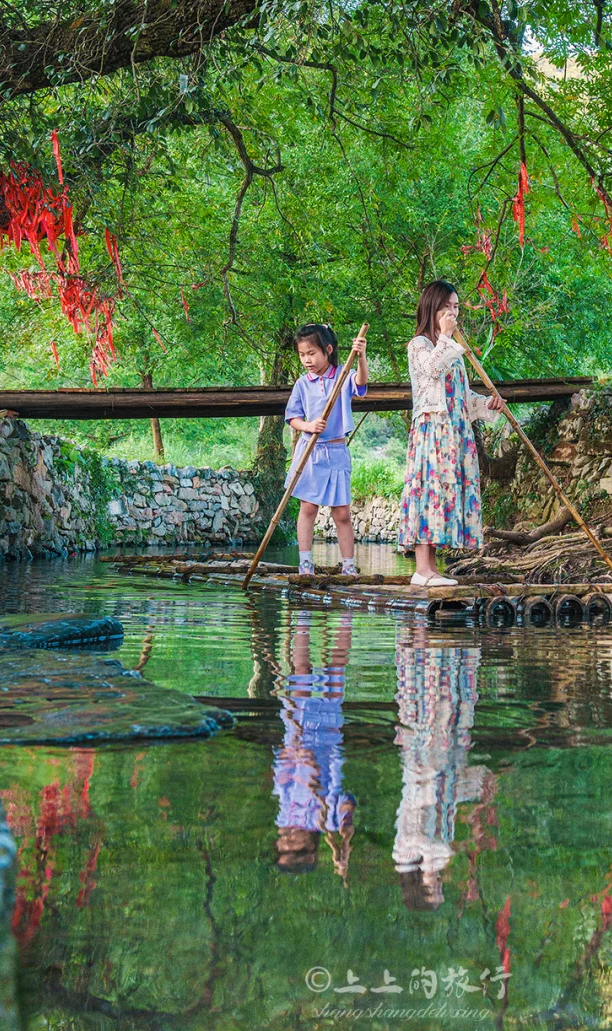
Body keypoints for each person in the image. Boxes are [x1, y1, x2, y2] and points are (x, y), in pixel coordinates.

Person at [399, 281, 504, 588]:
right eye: (448, 307)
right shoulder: (419, 345)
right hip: (432, 430)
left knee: (445, 493)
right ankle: (421, 569)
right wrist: (445, 337)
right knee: (428, 491)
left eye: (457, 307)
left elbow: (460, 395)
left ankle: (432, 570)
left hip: (455, 432)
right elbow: (430, 372)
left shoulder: (455, 353)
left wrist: (487, 404)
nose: (453, 313)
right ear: (432, 308)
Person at [391, 625, 485, 909]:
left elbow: (429, 836)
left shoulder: (406, 851)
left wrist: (433, 866)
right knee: (457, 702)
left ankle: (425, 634)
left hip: (426, 760)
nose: (439, 881)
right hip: (447, 762)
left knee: (434, 700)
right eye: (440, 886)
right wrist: (477, 785)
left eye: (435, 887)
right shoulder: (432, 848)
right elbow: (447, 801)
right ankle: (457, 636)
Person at [272, 610, 356, 877]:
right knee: (335, 672)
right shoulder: (326, 821)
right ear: (309, 847)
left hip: (298, 741)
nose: (285, 843)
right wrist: (343, 841)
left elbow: (282, 785)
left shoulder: (284, 819)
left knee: (301, 673)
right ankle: (345, 617)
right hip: (328, 743)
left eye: (282, 848)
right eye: (292, 849)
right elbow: (347, 802)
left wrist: (289, 755)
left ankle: (303, 618)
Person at [285, 323, 368, 577]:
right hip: (311, 451)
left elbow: (361, 383)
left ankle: (348, 565)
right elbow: (292, 417)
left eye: (312, 353)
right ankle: (306, 563)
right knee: (308, 507)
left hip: (336, 451)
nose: (307, 360)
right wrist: (308, 426)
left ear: (328, 350)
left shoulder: (342, 375)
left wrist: (361, 356)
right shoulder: (302, 383)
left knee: (341, 512)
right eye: (302, 355)